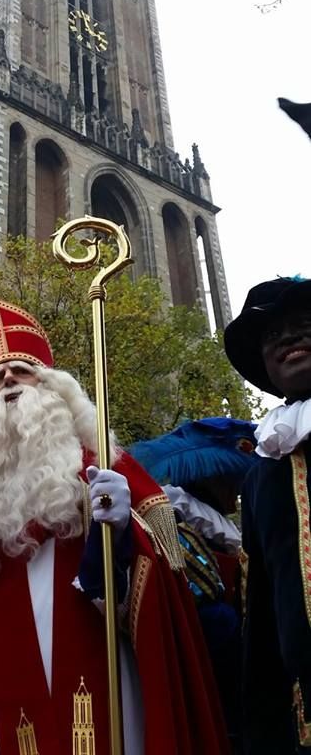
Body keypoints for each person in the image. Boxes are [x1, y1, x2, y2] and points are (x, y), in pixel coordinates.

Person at [0, 297, 230, 755]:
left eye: (21, 371)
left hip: (93, 666)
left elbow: (160, 595)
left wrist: (122, 533)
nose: (9, 383)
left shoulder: (104, 468)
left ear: (55, 387)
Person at [130, 416, 258, 752]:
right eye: (232, 480)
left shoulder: (223, 530)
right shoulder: (179, 524)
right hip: (210, 666)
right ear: (213, 478)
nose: (238, 489)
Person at [224, 276, 311, 753]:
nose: (289, 341)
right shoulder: (266, 469)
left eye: (303, 327)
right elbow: (260, 604)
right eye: (274, 337)